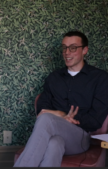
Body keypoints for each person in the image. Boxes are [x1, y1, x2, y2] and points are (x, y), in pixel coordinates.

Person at [14, 31, 108, 167]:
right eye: (64, 47)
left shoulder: (100, 78)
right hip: (57, 136)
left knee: (47, 119)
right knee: (54, 143)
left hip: (81, 138)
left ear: (85, 50)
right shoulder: (53, 78)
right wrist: (61, 115)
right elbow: (42, 109)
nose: (67, 52)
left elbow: (95, 120)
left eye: (73, 48)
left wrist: (63, 117)